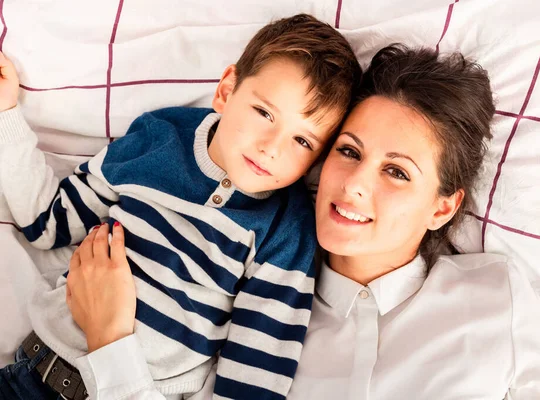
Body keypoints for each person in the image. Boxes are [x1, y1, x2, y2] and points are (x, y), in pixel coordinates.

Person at [58, 44, 540, 399]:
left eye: (397, 172)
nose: (355, 183)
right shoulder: (259, 313)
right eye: (349, 151)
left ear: (442, 207)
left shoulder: (496, 300)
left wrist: (110, 339)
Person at [0, 14, 361, 400]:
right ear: (226, 90)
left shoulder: (287, 234)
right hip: (31, 375)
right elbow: (47, 223)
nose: (271, 147)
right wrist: (6, 114)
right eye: (264, 113)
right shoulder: (159, 137)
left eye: (303, 141)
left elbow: (249, 387)